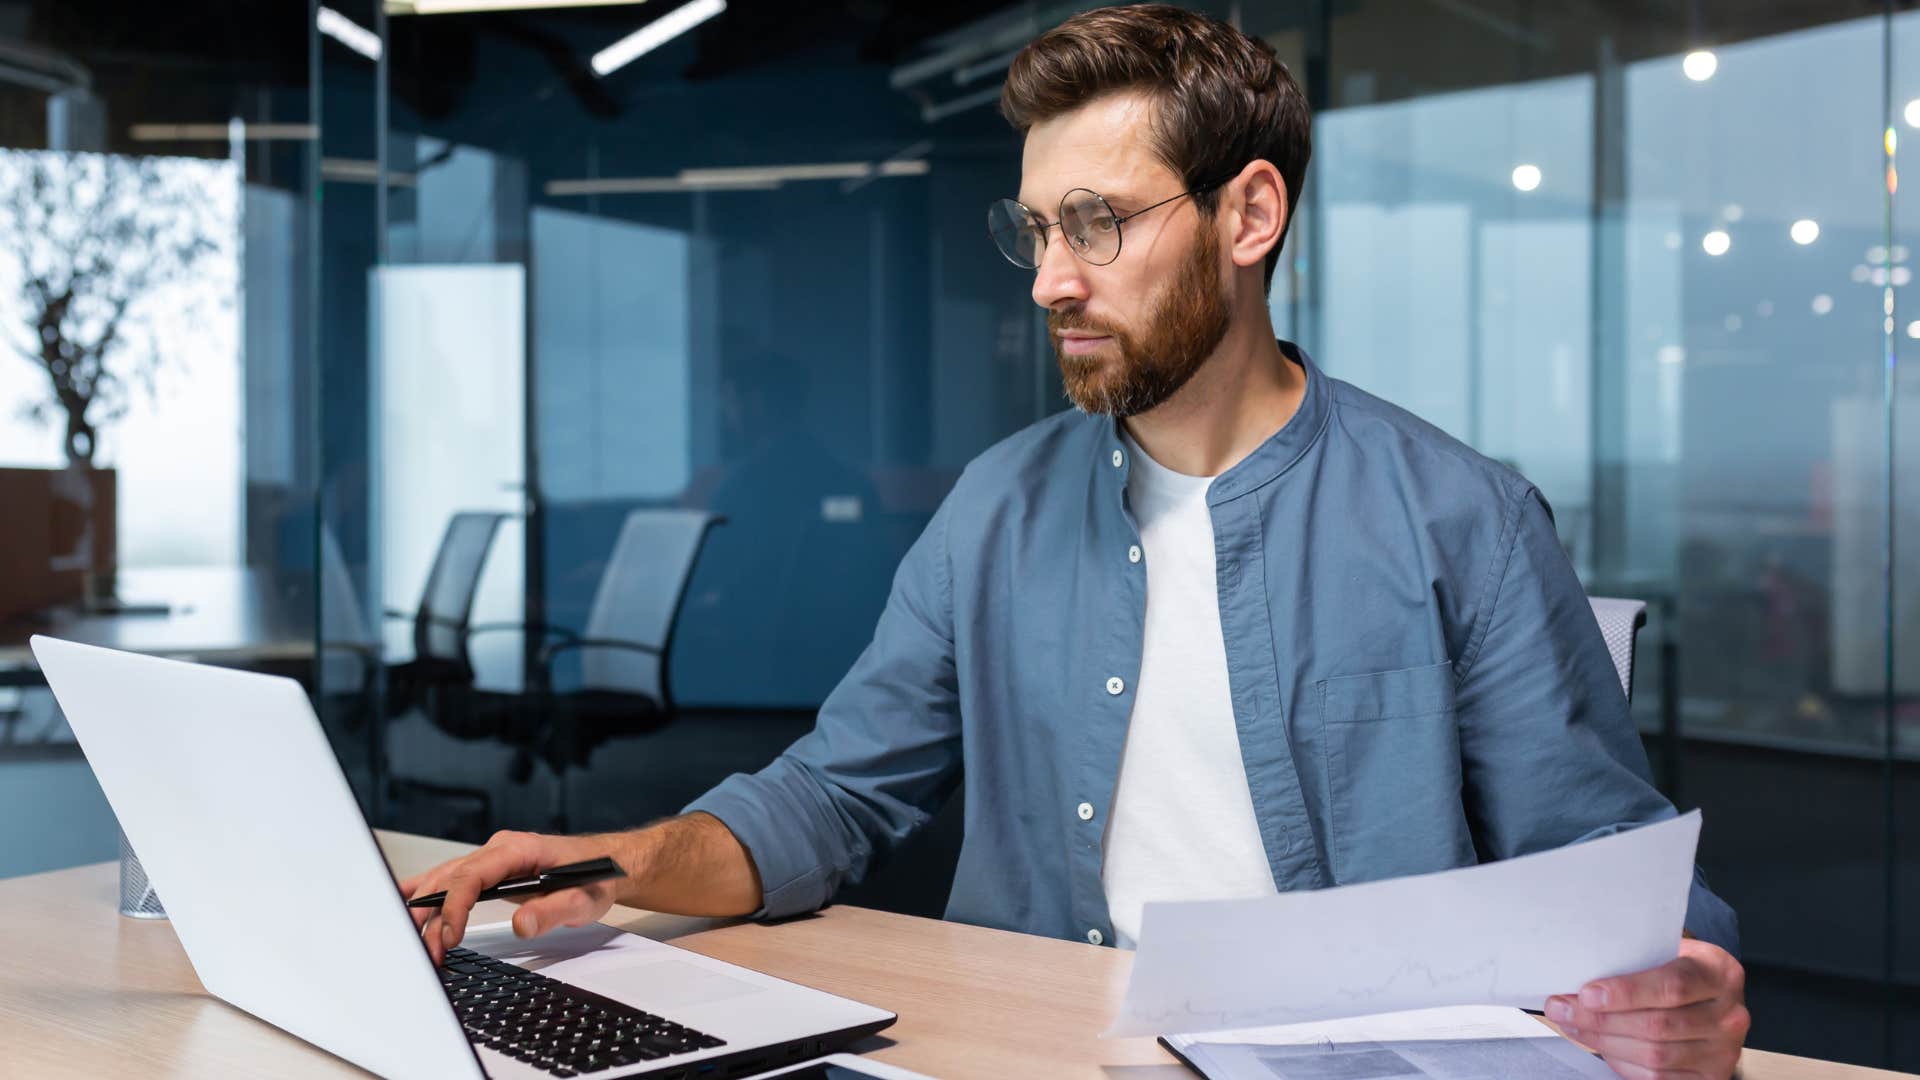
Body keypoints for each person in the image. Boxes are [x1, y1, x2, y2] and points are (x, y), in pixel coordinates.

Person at [402, 7, 1748, 1076]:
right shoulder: (997, 507)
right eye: (1040, 229)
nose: (1052, 278)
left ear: (1249, 217)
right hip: (1028, 1047)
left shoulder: (1462, 517)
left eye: (1101, 223)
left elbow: (1614, 891)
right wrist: (608, 865)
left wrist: (1677, 988)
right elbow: (832, 797)